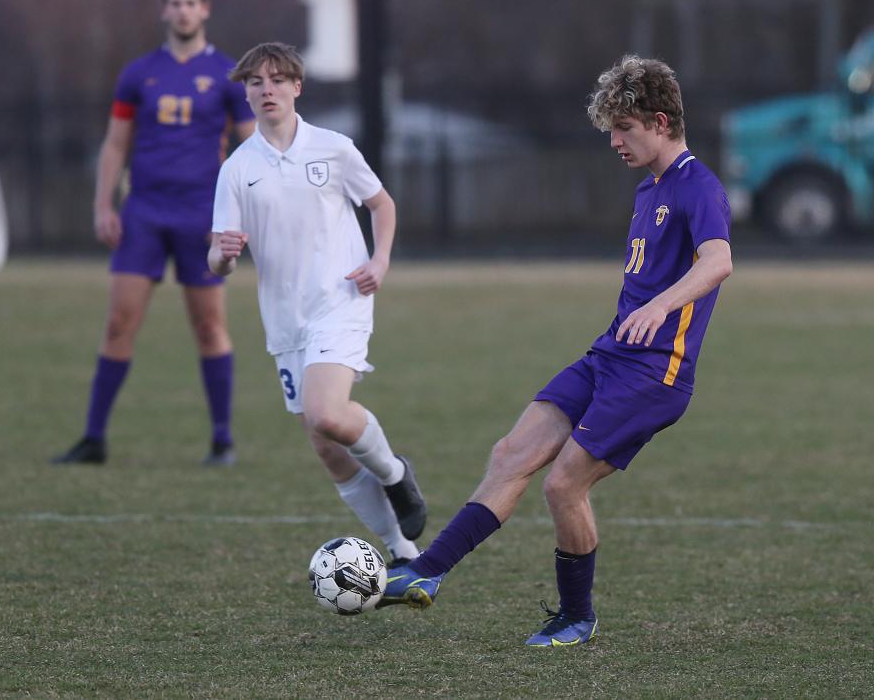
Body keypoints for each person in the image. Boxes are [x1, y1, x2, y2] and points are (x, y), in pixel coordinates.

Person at [379, 55, 734, 647]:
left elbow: (719, 260)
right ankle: (426, 571)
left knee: (562, 485)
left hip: (654, 375)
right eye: (611, 130)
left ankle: (577, 617)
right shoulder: (651, 190)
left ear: (662, 120)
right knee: (512, 451)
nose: (615, 141)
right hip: (609, 356)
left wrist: (661, 307)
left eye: (625, 128)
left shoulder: (698, 185)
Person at [208, 42, 427, 562]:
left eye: (278, 79)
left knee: (327, 414)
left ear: (297, 87)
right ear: (245, 92)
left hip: (341, 299)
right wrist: (224, 255)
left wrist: (381, 260)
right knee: (327, 447)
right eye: (257, 82)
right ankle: (401, 550)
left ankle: (396, 472)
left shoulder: (333, 147)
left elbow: (381, 203)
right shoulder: (237, 169)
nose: (268, 90)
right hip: (285, 319)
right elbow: (217, 259)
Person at [50, 0, 254, 467]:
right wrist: (104, 205)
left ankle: (222, 441)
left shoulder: (228, 74)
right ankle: (94, 438)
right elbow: (116, 143)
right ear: (164, 11)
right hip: (144, 212)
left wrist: (234, 214)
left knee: (208, 325)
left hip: (201, 217)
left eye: (191, 3)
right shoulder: (140, 73)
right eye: (175, 3)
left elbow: (252, 150)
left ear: (204, 9)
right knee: (119, 322)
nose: (183, 11)